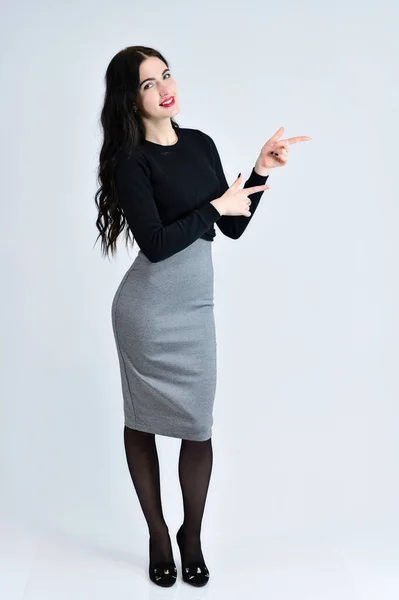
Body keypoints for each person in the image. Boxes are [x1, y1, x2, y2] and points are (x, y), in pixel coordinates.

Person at [94, 45, 311, 588]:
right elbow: (158, 242)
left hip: (194, 311)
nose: (164, 87)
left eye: (165, 74)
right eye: (147, 83)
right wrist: (214, 209)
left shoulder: (200, 145)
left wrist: (260, 172)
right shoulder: (132, 161)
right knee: (140, 421)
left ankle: (192, 533)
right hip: (145, 312)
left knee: (198, 427)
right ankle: (158, 534)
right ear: (131, 98)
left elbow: (232, 225)